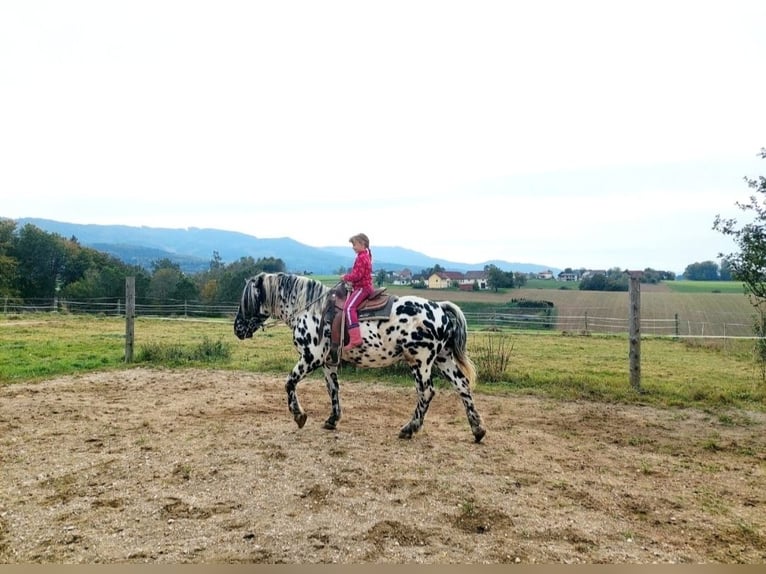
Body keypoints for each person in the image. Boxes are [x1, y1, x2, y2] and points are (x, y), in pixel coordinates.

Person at [341, 233, 373, 351]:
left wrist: (346, 277)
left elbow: (357, 275)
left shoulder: (361, 257)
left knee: (348, 308)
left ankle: (355, 339)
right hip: (362, 286)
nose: (353, 247)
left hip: (363, 288)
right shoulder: (365, 255)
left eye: (354, 244)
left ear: (362, 243)